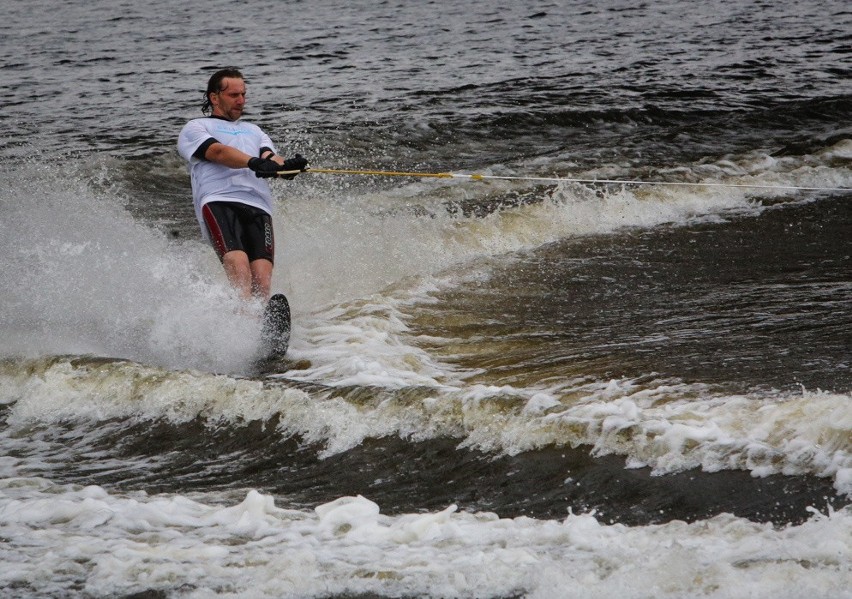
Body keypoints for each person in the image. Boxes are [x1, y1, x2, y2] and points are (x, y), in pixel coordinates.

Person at [177, 67, 308, 303]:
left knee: (262, 278)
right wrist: (254, 162)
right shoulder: (196, 128)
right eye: (233, 95)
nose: (241, 101)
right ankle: (242, 328)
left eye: (243, 95)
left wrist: (286, 166)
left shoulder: (254, 130)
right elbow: (217, 152)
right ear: (214, 97)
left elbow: (269, 157)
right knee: (239, 267)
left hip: (258, 205)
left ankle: (262, 332)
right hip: (220, 200)